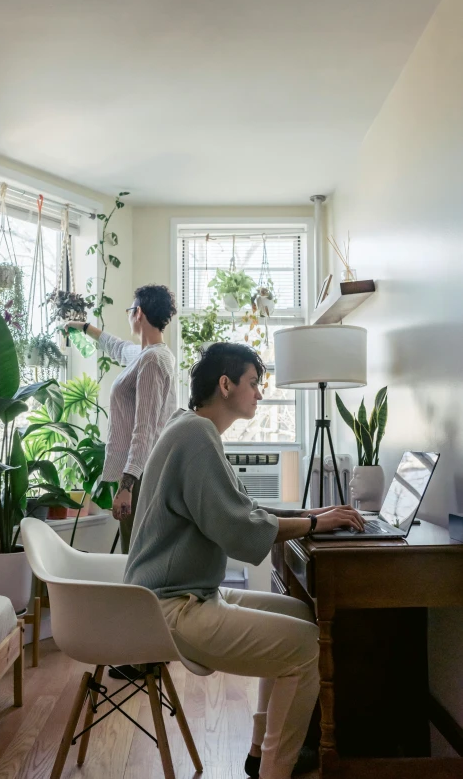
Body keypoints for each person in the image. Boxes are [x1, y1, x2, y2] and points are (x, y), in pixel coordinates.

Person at [124, 342, 364, 779]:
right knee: (307, 648)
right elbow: (239, 528)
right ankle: (276, 769)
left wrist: (312, 515)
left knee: (297, 612)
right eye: (254, 383)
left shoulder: (190, 427)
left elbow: (244, 509)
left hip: (185, 595)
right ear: (225, 384)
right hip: (172, 608)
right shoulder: (196, 436)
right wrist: (315, 526)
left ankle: (258, 753)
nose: (259, 393)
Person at [66, 283, 177, 553]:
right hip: (142, 472)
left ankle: (141, 597)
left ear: (138, 313)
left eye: (129, 310)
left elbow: (145, 429)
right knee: (136, 550)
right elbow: (116, 347)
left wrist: (126, 486)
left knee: (136, 554)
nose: (129, 315)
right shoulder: (149, 355)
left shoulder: (151, 361)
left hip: (141, 475)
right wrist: (83, 327)